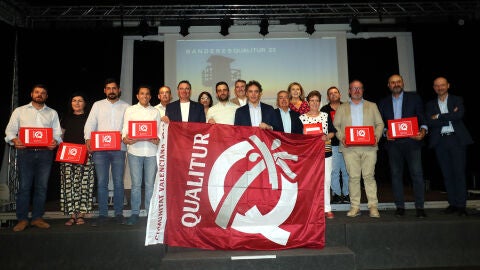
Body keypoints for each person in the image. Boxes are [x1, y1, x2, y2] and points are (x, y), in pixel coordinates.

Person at [5, 84, 62, 232]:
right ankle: (22, 219)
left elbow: (57, 133)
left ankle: (37, 218)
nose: (39, 95)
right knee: (24, 187)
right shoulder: (20, 111)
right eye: (37, 92)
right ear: (31, 94)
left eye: (43, 93)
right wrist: (14, 140)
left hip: (45, 154)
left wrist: (55, 141)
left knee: (41, 187)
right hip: (26, 153)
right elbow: (10, 130)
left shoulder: (52, 113)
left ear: (46, 96)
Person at [378, 74, 428, 218]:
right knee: (395, 176)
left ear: (403, 83)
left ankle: (420, 207)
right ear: (388, 85)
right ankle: (400, 206)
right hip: (393, 144)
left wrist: (423, 131)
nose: (396, 84)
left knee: (417, 175)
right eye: (392, 82)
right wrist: (385, 133)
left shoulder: (414, 98)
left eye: (398, 82)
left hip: (412, 142)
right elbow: (381, 122)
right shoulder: (383, 102)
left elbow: (422, 117)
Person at [333, 79, 384, 218]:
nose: (356, 91)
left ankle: (373, 206)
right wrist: (342, 137)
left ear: (362, 90)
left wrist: (376, 137)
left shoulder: (372, 106)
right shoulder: (342, 108)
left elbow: (380, 124)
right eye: (354, 88)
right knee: (354, 178)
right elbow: (335, 126)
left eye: (359, 88)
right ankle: (355, 207)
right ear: (349, 91)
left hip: (369, 147)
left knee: (369, 177)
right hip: (350, 148)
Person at [84, 78, 129, 226]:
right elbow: (90, 124)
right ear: (105, 90)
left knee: (118, 182)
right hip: (100, 150)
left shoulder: (126, 106)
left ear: (119, 90)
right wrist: (87, 139)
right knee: (102, 182)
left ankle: (119, 214)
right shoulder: (98, 105)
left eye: (114, 88)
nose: (111, 91)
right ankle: (102, 214)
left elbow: (128, 127)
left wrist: (125, 137)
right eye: (108, 88)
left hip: (119, 148)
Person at [425, 76, 473, 216]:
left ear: (448, 86)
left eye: (442, 85)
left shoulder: (457, 100)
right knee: (447, 174)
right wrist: (449, 115)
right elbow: (429, 121)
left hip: (456, 140)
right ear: (434, 88)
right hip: (440, 141)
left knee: (459, 173)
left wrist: (438, 117)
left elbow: (459, 116)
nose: (440, 88)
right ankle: (452, 203)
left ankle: (461, 205)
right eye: (437, 85)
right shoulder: (429, 104)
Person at [122, 85, 160, 225]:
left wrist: (157, 139)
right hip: (134, 151)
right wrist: (125, 138)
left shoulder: (155, 112)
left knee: (150, 184)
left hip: (151, 152)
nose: (145, 96)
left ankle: (150, 213)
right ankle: (135, 213)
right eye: (142, 94)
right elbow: (125, 130)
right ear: (137, 96)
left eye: (147, 94)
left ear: (150, 96)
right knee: (136, 185)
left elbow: (158, 132)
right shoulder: (130, 110)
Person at [60, 91, 95, 226]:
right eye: (74, 100)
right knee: (68, 186)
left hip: (86, 155)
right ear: (71, 103)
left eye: (80, 100)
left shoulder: (90, 118)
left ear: (85, 104)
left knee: (84, 185)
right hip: (68, 156)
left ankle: (81, 215)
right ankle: (71, 216)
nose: (77, 103)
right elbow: (60, 137)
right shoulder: (65, 118)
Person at [299, 90, 336, 219]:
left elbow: (332, 132)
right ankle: (312, 209)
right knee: (311, 182)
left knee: (326, 181)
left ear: (320, 102)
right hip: (309, 155)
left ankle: (327, 209)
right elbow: (299, 138)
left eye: (317, 101)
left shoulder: (325, 116)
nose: (314, 103)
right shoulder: (302, 118)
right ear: (308, 102)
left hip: (325, 152)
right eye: (312, 100)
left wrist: (326, 136)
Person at [321, 86, 350, 204]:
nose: (333, 95)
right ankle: (337, 194)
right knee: (334, 171)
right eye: (331, 93)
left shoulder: (347, 107)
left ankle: (347, 194)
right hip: (332, 144)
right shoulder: (324, 109)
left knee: (347, 171)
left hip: (347, 144)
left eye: (335, 93)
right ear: (328, 97)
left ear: (340, 95)